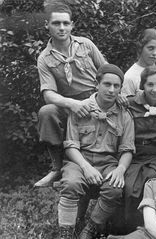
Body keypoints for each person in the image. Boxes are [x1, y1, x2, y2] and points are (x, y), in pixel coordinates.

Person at [58, 64, 134, 239]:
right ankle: (66, 233)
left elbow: (127, 149)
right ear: (96, 84)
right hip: (79, 160)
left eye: (116, 86)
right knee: (71, 183)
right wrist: (85, 167)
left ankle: (91, 227)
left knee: (115, 188)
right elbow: (71, 146)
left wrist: (120, 170)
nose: (111, 90)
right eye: (107, 84)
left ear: (121, 89)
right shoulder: (81, 108)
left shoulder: (124, 115)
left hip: (108, 162)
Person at [35, 3, 107, 187]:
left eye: (65, 23)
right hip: (70, 103)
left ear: (72, 25)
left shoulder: (85, 44)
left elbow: (106, 71)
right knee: (47, 112)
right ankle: (57, 168)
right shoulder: (45, 58)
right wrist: (72, 104)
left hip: (96, 97)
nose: (61, 28)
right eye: (56, 23)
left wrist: (102, 96)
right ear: (47, 25)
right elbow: (49, 94)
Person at [120, 65, 156, 234]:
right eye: (150, 85)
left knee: (151, 180)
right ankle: (126, 227)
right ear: (142, 85)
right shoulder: (130, 103)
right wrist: (118, 99)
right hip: (133, 152)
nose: (154, 90)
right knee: (129, 184)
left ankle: (148, 227)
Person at [121, 28, 156, 96]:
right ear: (141, 48)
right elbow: (127, 104)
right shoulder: (130, 77)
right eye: (151, 48)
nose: (154, 53)